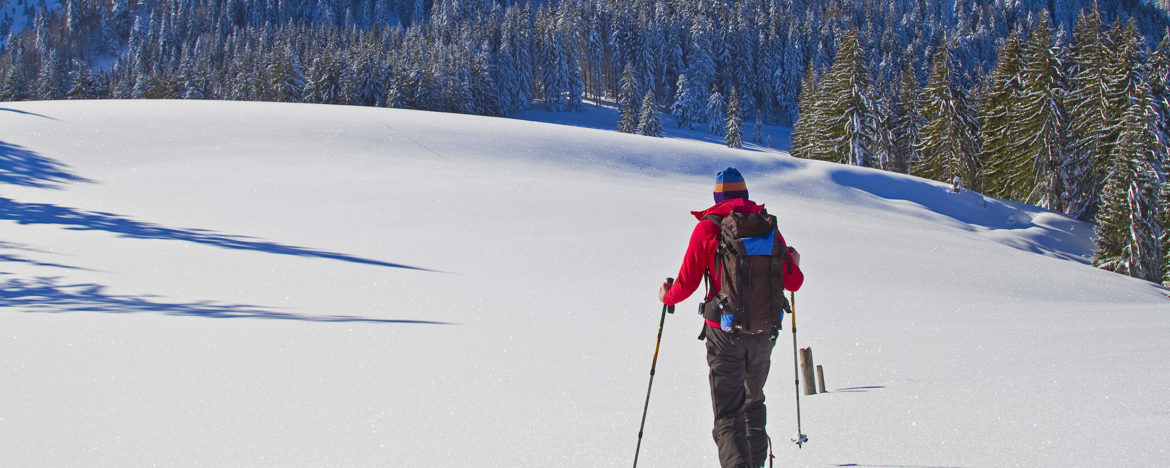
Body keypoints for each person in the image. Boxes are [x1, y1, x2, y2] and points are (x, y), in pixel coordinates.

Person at [657, 168, 804, 468]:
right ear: (746, 196)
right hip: (764, 332)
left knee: (728, 415)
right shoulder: (768, 227)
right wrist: (795, 263)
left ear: (716, 197)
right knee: (753, 405)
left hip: (724, 334)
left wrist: (666, 296)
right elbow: (794, 282)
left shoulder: (709, 228)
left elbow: (686, 284)